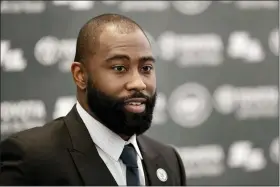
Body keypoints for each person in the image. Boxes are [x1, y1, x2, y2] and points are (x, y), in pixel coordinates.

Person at [0, 13, 187, 186]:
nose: (138, 83)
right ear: (80, 75)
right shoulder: (30, 160)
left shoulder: (168, 160)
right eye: (120, 68)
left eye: (146, 68)